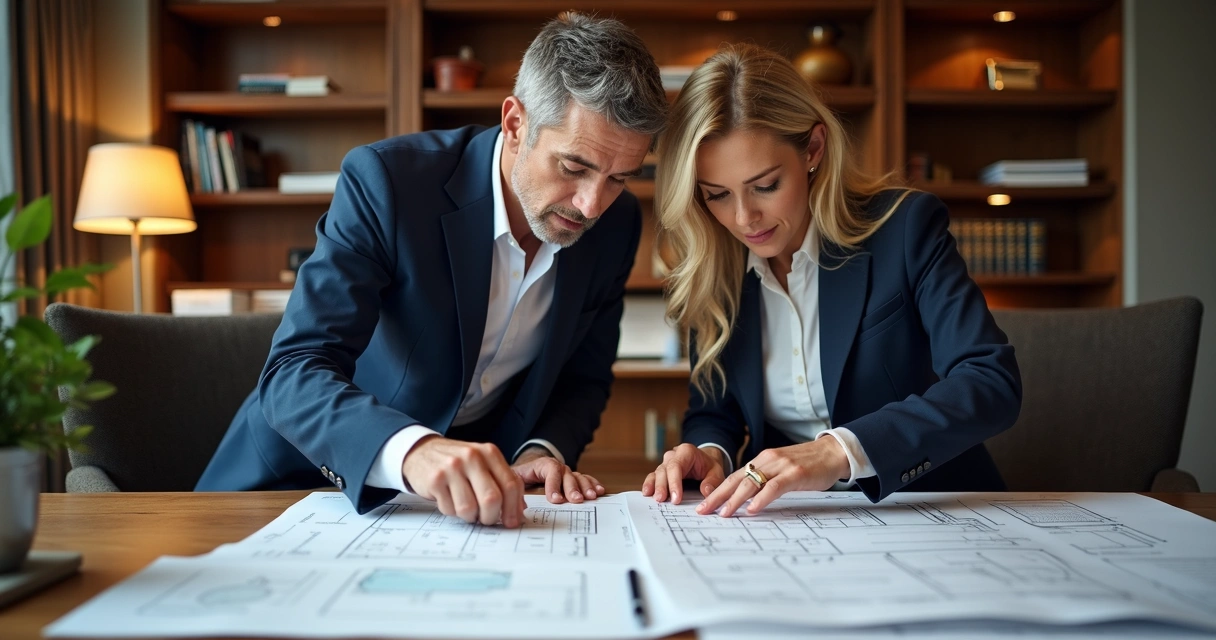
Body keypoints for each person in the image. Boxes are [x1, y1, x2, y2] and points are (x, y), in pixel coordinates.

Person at [198, 13, 668, 528]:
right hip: (292, 485)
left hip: (461, 509)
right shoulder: (388, 183)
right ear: (515, 124)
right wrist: (412, 451)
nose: (591, 205)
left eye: (620, 178)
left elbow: (583, 376)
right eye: (574, 168)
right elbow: (294, 371)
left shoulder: (617, 224)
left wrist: (540, 450)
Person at [642, 44, 1021, 517]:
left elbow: (991, 382)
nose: (744, 218)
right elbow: (714, 412)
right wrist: (708, 453)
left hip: (932, 508)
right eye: (717, 195)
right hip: (794, 523)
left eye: (765, 186)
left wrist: (837, 451)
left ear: (814, 149)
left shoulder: (905, 229)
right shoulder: (713, 265)